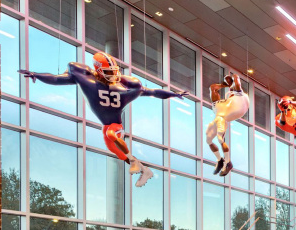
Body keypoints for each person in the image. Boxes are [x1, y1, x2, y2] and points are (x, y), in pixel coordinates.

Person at [19, 52, 188, 187]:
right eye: (108, 72)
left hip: (115, 124)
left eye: (115, 72)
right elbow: (57, 79)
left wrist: (173, 94)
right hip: (105, 125)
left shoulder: (125, 85)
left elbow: (152, 92)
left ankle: (135, 163)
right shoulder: (86, 79)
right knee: (117, 151)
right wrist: (37, 75)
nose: (113, 76)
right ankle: (145, 170)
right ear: (98, 70)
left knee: (113, 135)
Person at [206, 72, 249, 176]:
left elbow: (236, 80)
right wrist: (225, 84)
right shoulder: (218, 102)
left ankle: (228, 162)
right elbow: (213, 87)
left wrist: (231, 79)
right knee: (208, 140)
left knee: (220, 138)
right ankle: (220, 160)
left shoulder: (237, 94)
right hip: (218, 117)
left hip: (222, 117)